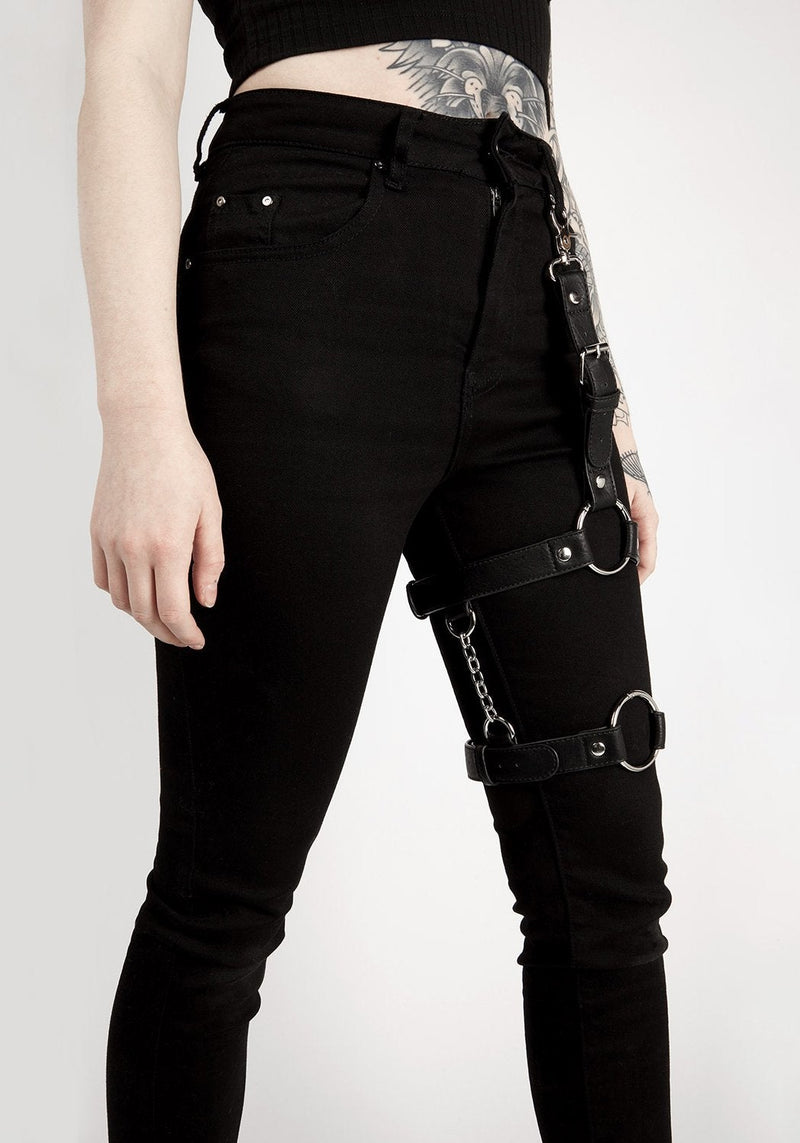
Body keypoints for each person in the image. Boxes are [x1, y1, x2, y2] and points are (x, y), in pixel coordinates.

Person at [77, 2, 673, 1140]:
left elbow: (529, 103)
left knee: (607, 891)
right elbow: (131, 66)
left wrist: (605, 398)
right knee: (222, 896)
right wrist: (141, 413)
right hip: (307, 254)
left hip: (532, 279)